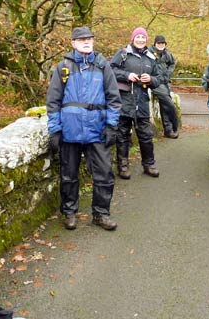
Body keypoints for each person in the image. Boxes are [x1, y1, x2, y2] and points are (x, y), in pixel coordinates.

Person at [46, 26, 121, 231]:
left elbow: (114, 98)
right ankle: (69, 212)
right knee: (68, 175)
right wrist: (55, 129)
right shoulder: (63, 67)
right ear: (73, 43)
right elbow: (53, 101)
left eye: (89, 39)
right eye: (81, 40)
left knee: (104, 174)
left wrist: (111, 125)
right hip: (70, 130)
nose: (86, 42)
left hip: (96, 129)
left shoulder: (103, 66)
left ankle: (101, 214)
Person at [110, 27, 160, 179]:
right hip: (124, 100)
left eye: (143, 37)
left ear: (146, 40)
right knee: (122, 134)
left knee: (146, 135)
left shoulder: (151, 58)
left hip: (142, 101)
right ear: (133, 39)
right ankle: (123, 167)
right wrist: (127, 75)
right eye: (138, 37)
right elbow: (110, 70)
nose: (140, 40)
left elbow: (159, 79)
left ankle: (149, 165)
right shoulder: (123, 54)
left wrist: (150, 79)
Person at [149, 35, 179, 138]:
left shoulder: (167, 53)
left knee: (165, 104)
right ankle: (175, 125)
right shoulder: (149, 53)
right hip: (155, 82)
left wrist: (168, 73)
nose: (161, 45)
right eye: (159, 43)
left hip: (165, 82)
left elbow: (172, 63)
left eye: (162, 43)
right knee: (168, 103)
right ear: (155, 44)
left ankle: (168, 130)